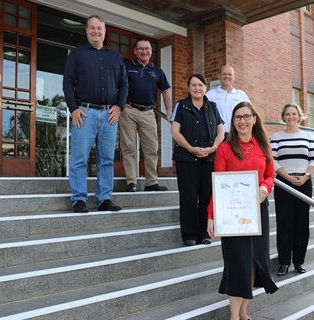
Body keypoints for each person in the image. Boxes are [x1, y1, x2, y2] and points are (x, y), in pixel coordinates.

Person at [207, 101, 278, 320]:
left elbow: (270, 176)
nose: (242, 121)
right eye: (238, 117)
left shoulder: (263, 147)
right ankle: (234, 316)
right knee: (238, 263)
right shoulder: (225, 149)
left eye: (246, 116)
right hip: (231, 214)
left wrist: (264, 188)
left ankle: (244, 311)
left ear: (254, 119)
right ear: (233, 121)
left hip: (257, 211)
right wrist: (211, 216)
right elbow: (217, 185)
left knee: (255, 262)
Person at [63, 15, 128, 213]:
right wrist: (73, 108)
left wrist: (119, 106)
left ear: (104, 30)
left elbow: (124, 84)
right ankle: (79, 199)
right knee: (79, 158)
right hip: (84, 113)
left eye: (99, 28)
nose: (95, 31)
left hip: (109, 115)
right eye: (92, 28)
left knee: (107, 159)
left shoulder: (115, 56)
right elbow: (67, 81)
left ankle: (104, 199)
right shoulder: (77, 54)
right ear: (86, 31)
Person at [171, 74, 224, 246]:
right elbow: (175, 132)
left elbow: (221, 132)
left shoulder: (213, 106)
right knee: (188, 196)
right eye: (193, 85)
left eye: (200, 85)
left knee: (207, 195)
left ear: (205, 88)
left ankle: (205, 232)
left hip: (209, 158)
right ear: (188, 88)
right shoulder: (181, 105)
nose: (197, 88)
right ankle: (189, 235)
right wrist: (190, 149)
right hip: (186, 158)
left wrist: (213, 148)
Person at [270, 103, 314, 276]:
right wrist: (287, 177)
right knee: (284, 223)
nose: (290, 117)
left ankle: (299, 261)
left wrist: (305, 176)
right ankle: (284, 262)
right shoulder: (276, 136)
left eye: (293, 114)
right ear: (283, 117)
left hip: (304, 182)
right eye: (287, 114)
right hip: (283, 183)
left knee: (302, 223)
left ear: (299, 116)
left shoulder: (308, 136)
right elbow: (272, 161)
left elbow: (313, 160)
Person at [120, 38, 172, 192]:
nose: (144, 52)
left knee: (151, 148)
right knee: (129, 147)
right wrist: (120, 103)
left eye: (147, 49)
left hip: (149, 112)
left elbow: (165, 91)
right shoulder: (127, 66)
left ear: (151, 51)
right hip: (128, 111)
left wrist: (169, 110)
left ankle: (151, 182)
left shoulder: (157, 70)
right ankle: (131, 181)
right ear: (135, 51)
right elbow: (116, 84)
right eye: (141, 49)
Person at [205, 65, 250, 139]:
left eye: (229, 74)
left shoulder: (241, 95)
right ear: (219, 76)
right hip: (216, 137)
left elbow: (250, 115)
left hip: (237, 136)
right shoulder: (210, 95)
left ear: (234, 77)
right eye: (224, 74)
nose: (227, 76)